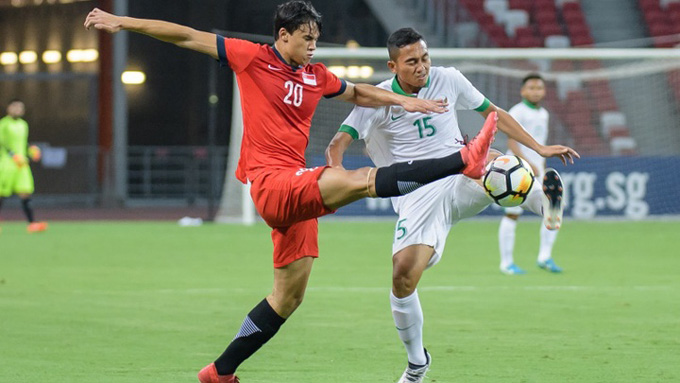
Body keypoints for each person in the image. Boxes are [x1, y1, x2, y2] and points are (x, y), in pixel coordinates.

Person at [84, 3, 499, 383]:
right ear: (283, 36)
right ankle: (463, 162)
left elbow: (357, 93)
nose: (313, 47)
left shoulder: (316, 76)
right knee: (360, 179)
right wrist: (125, 22)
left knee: (287, 298)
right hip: (272, 182)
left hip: (296, 193)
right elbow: (186, 35)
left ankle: (220, 372)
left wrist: (403, 102)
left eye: (316, 39)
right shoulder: (252, 58)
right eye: (307, 39)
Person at [325, 28, 579, 383]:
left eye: (425, 57)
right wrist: (336, 176)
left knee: (497, 164)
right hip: (416, 194)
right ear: (393, 65)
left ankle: (544, 202)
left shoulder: (448, 79)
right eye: (412, 61)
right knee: (402, 276)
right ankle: (417, 364)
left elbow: (494, 115)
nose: (422, 67)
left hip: (461, 173)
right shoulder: (379, 98)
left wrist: (540, 148)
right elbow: (337, 143)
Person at [498, 73, 562, 275]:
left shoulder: (544, 113)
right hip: (516, 171)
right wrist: (526, 164)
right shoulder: (517, 111)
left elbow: (540, 143)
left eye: (539, 88)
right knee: (512, 214)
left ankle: (545, 256)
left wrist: (540, 166)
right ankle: (506, 263)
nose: (536, 91)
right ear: (523, 91)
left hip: (537, 170)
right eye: (532, 87)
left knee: (554, 209)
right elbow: (511, 141)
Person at [0, 99, 47, 234]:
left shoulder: (23, 125)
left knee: (25, 192)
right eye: (15, 107)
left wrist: (31, 150)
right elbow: (2, 143)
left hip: (22, 164)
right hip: (7, 164)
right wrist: (13, 155)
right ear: (9, 108)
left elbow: (23, 143)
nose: (18, 110)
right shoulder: (3, 124)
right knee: (2, 194)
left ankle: (32, 223)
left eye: (20, 107)